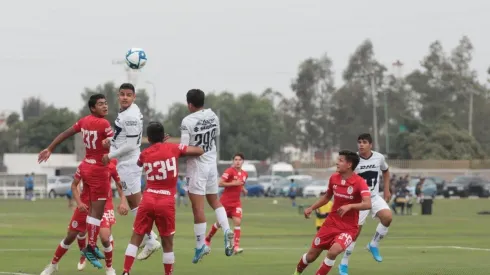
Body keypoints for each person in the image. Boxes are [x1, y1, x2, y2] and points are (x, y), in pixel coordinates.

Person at [38, 94, 115, 268]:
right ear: (93, 108)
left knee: (93, 210)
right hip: (98, 169)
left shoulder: (84, 121)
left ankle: (88, 247)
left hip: (86, 165)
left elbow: (66, 133)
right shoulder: (104, 123)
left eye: (106, 103)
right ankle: (91, 247)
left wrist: (50, 148)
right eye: (101, 104)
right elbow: (113, 144)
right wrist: (112, 142)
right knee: (97, 211)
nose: (105, 106)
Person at [122, 122, 205, 275]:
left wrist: (157, 145)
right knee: (167, 242)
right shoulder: (174, 148)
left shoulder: (145, 153)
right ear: (164, 135)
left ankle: (126, 271)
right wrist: (169, 144)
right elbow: (199, 151)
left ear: (148, 138)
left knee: (136, 237)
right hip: (166, 201)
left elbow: (140, 162)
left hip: (148, 199)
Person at [102, 83, 161, 260]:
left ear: (134, 97)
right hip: (126, 162)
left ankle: (151, 240)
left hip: (128, 163)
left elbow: (131, 144)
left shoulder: (131, 115)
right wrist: (111, 140)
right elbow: (123, 136)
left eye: (129, 95)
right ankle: (148, 237)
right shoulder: (128, 112)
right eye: (122, 94)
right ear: (118, 96)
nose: (125, 97)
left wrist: (110, 153)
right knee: (137, 204)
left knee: (136, 205)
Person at [40, 159, 128, 275]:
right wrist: (79, 202)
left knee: (105, 238)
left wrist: (123, 201)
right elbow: (74, 185)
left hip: (104, 204)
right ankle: (53, 265)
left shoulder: (110, 166)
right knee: (71, 236)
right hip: (85, 204)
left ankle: (109, 269)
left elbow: (120, 185)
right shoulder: (84, 165)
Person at [292, 150, 371, 275]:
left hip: (348, 228)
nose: (336, 163)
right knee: (311, 256)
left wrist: (350, 206)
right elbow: (327, 197)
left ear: (349, 165)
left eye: (340, 160)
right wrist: (311, 208)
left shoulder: (360, 182)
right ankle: (297, 272)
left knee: (333, 251)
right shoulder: (334, 178)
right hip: (330, 224)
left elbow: (368, 204)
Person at [179, 89, 234, 263]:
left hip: (197, 166)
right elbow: (213, 137)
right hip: (212, 163)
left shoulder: (187, 121)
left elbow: (184, 148)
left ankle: (200, 245)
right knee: (215, 200)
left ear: (189, 104)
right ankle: (226, 230)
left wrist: (167, 146)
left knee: (198, 208)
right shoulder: (213, 116)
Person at [338, 133, 392, 275]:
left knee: (387, 217)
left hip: (373, 197)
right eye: (359, 142)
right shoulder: (353, 160)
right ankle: (344, 262)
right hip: (359, 200)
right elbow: (344, 177)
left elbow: (386, 171)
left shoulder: (379, 157)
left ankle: (373, 244)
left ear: (370, 145)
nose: (361, 144)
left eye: (364, 142)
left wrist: (386, 190)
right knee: (354, 233)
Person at [205, 152, 248, 254]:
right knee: (219, 223)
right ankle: (207, 238)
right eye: (236, 160)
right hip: (225, 202)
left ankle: (236, 246)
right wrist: (234, 183)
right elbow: (220, 183)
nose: (237, 162)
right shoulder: (229, 171)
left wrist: (243, 189)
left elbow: (240, 184)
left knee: (237, 221)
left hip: (236, 203)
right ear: (233, 161)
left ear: (243, 162)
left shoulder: (245, 174)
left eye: (239, 160)